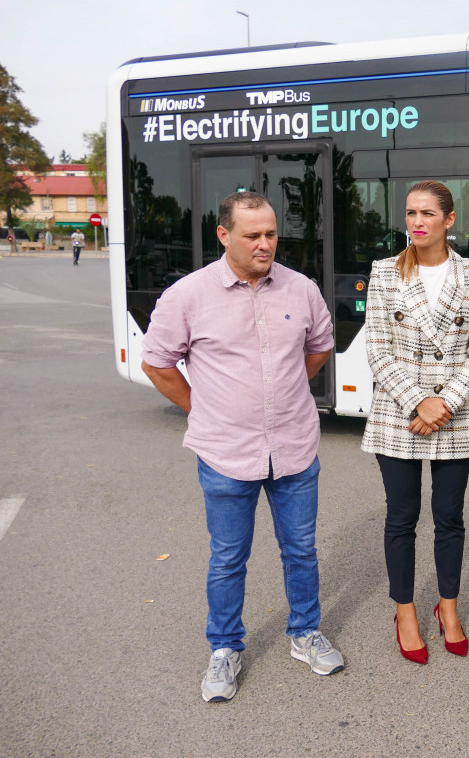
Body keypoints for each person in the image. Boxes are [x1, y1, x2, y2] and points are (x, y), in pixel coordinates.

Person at [140, 191, 343, 702]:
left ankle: (304, 632)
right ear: (224, 235)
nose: (265, 244)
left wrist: (285, 391)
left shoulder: (301, 290)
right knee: (228, 557)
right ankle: (225, 648)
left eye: (271, 234)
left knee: (301, 550)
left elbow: (319, 348)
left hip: (294, 448)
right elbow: (157, 363)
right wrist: (203, 408)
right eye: (252, 235)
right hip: (226, 454)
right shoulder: (187, 296)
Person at [361, 180, 469, 664]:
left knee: (449, 518)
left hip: (453, 417)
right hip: (399, 414)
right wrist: (419, 401)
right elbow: (376, 349)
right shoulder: (384, 272)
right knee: (401, 518)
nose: (416, 222)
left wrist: (445, 403)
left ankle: (449, 608)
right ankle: (405, 612)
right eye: (410, 213)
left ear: (449, 220)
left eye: (427, 214)